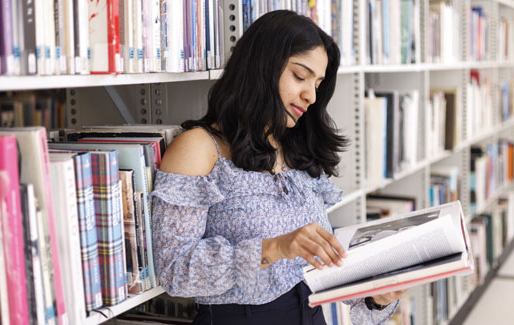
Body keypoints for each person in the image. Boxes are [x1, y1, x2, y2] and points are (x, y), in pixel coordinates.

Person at [151, 10, 404, 325]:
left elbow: (326, 306)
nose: (310, 95)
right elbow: (174, 271)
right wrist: (276, 247)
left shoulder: (297, 152)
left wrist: (375, 301)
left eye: (317, 83)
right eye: (300, 76)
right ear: (261, 67)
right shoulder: (201, 148)